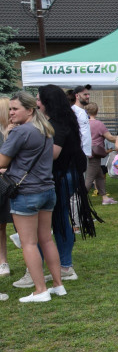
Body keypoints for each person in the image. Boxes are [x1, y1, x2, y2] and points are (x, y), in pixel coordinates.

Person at [0, 91, 63, 302]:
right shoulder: (45, 129)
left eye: (15, 108)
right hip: (47, 190)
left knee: (29, 243)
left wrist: (8, 135)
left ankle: (40, 290)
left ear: (30, 110)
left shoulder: (21, 131)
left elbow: (2, 161)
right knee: (46, 239)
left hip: (26, 192)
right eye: (10, 109)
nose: (11, 113)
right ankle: (57, 285)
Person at [38, 84, 94, 281]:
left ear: (47, 102)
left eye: (38, 100)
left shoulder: (57, 123)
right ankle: (64, 265)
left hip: (62, 176)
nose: (36, 103)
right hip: (67, 174)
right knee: (60, 219)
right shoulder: (65, 120)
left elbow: (54, 153)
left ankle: (64, 266)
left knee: (58, 220)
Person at [85, 102, 117, 205]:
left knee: (99, 176)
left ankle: (104, 197)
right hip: (95, 153)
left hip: (86, 152)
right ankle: (80, 199)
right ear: (97, 111)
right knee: (89, 178)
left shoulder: (83, 123)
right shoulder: (99, 124)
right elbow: (110, 138)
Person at [0, 98, 12, 279]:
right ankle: (2, 261)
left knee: (23, 227)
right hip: (3, 185)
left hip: (17, 184)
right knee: (0, 226)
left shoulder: (19, 131)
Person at [71, 85, 92, 160]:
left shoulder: (83, 111)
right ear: (77, 96)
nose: (88, 96)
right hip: (78, 153)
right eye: (85, 94)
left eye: (88, 94)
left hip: (84, 153)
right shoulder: (73, 111)